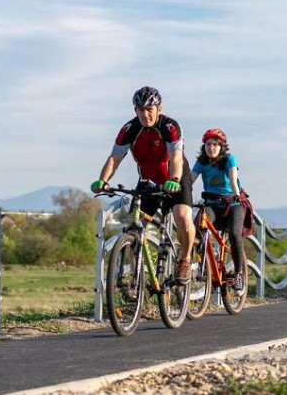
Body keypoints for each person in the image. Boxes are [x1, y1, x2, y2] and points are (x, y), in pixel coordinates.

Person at [91, 86, 195, 284]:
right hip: (148, 181)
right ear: (135, 110)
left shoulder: (170, 127)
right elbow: (115, 158)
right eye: (141, 110)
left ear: (159, 109)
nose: (145, 114)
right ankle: (136, 281)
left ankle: (185, 259)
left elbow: (176, 157)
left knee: (182, 216)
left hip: (176, 177)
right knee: (133, 227)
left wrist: (173, 180)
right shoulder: (129, 130)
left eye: (150, 109)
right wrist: (103, 181)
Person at [191, 128, 246, 295]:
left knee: (235, 235)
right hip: (212, 203)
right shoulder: (202, 162)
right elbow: (190, 180)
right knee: (196, 229)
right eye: (208, 144)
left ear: (222, 147)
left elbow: (233, 178)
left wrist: (236, 196)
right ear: (204, 146)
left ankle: (238, 274)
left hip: (233, 203)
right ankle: (203, 261)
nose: (211, 147)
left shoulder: (229, 159)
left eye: (215, 144)